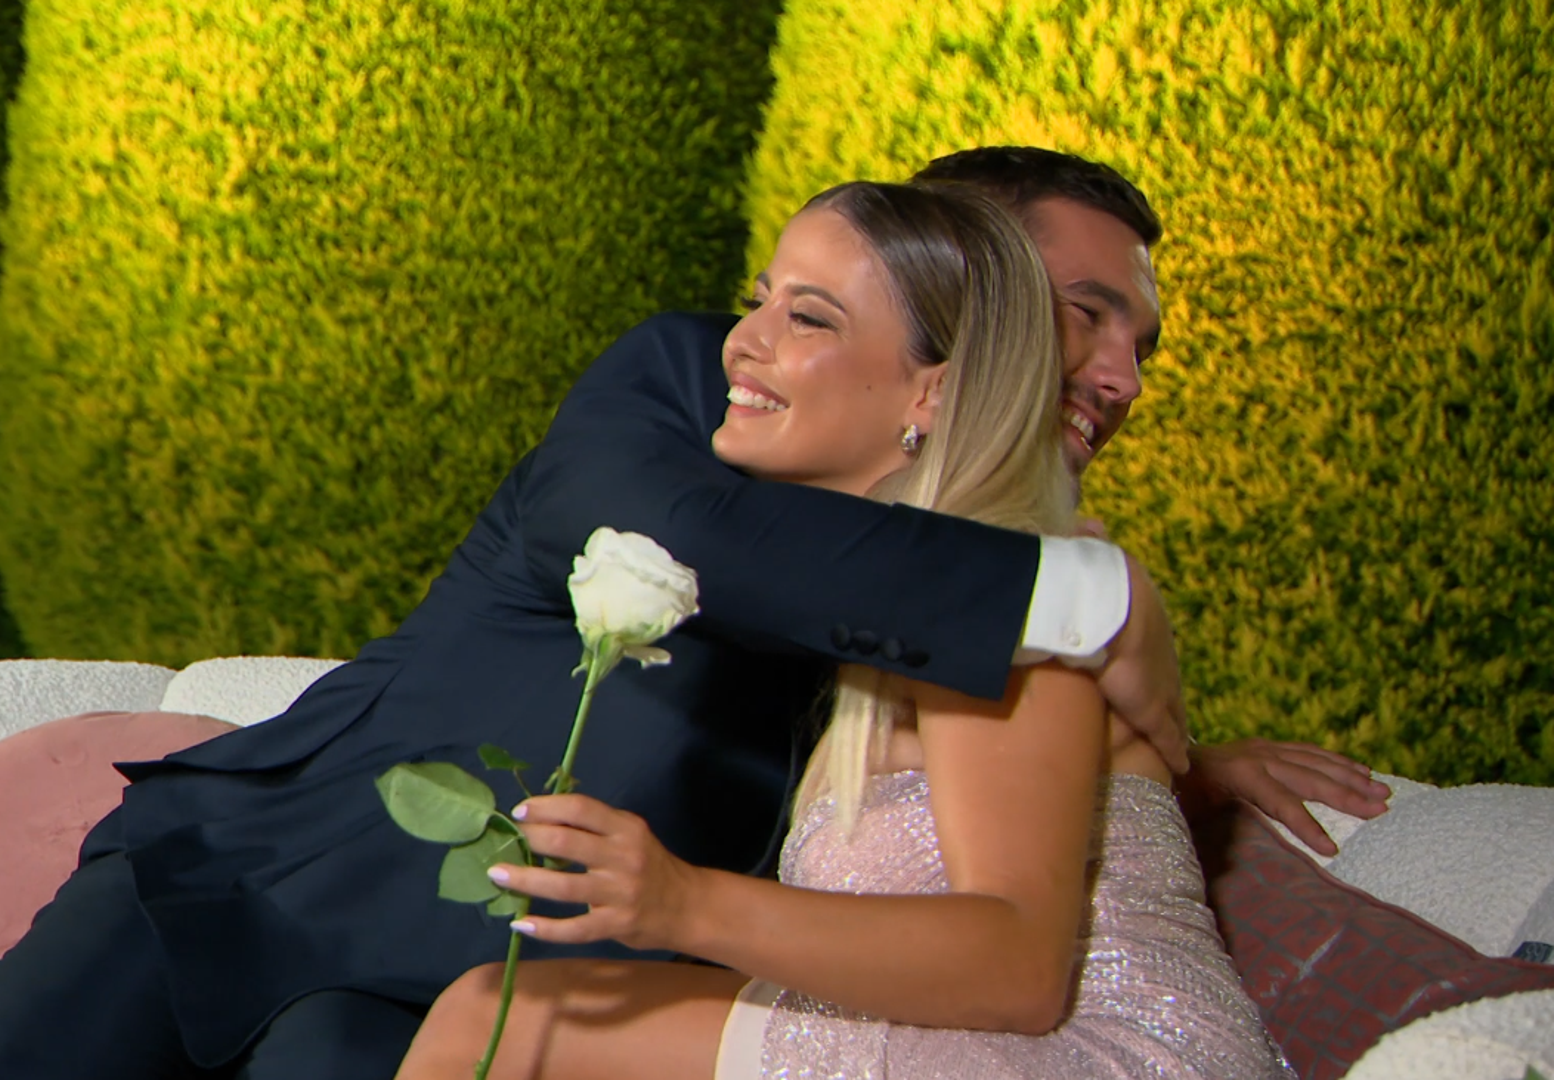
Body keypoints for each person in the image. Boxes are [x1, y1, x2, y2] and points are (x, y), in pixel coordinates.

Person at [0, 148, 1381, 1080]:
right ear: (961, 274)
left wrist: (1169, 776)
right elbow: (693, 540)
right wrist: (1088, 599)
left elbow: (986, 821)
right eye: (1082, 308)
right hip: (263, 885)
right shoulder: (696, 392)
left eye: (1138, 335)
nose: (1119, 370)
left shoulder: (992, 587)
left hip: (485, 989)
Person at [395, 179, 1292, 1080]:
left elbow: (1021, 969)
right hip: (989, 1036)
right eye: (759, 301)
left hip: (1101, 1055)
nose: (743, 341)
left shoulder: (995, 604)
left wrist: (681, 902)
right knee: (504, 1017)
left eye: (809, 319)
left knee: (499, 1023)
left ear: (935, 392)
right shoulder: (903, 601)